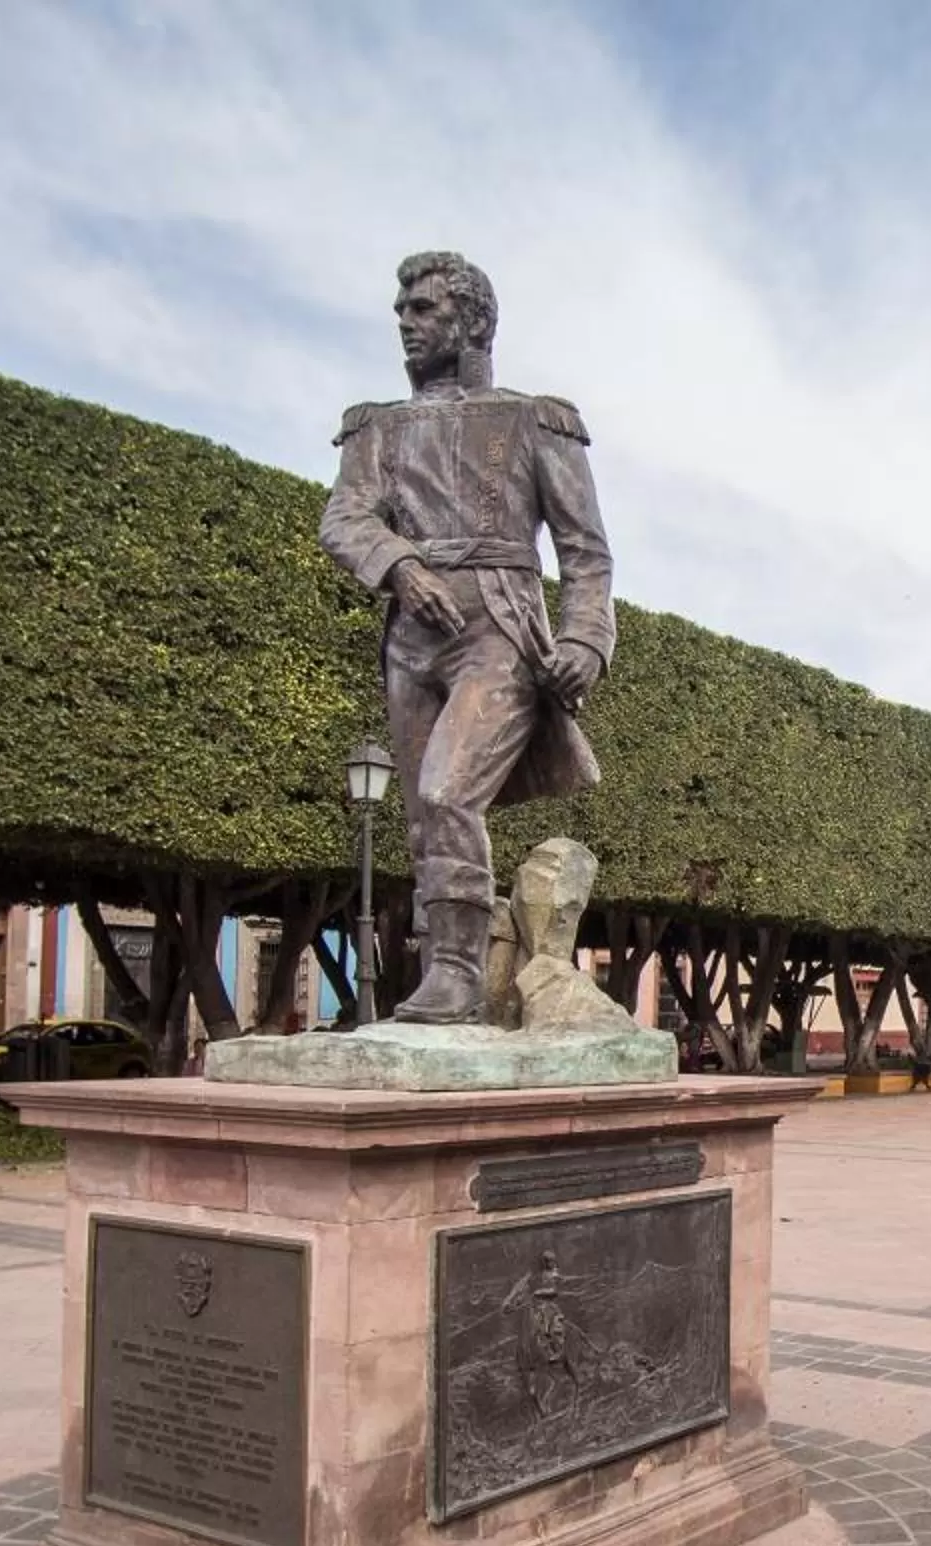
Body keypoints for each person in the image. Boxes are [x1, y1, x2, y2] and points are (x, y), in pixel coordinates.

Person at [320, 252, 616, 1024]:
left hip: (499, 626)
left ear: (474, 321)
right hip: (411, 638)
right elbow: (346, 518)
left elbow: (585, 552)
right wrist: (399, 565)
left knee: (445, 789)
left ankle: (454, 973)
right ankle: (456, 974)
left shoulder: (534, 420)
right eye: (402, 312)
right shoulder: (377, 429)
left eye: (422, 309)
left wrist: (585, 641)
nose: (406, 324)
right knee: (424, 819)